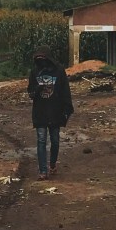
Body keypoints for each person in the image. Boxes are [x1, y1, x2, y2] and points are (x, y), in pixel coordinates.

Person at [27, 47, 74, 179]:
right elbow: (30, 92)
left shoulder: (59, 71)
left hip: (55, 111)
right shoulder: (35, 72)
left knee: (55, 140)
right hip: (40, 112)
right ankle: (43, 171)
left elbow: (65, 90)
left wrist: (67, 108)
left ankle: (52, 164)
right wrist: (38, 88)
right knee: (41, 140)